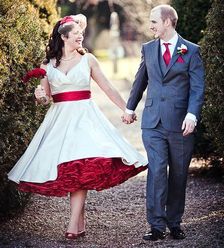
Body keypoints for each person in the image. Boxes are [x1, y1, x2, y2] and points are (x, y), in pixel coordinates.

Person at [8, 14, 147, 240]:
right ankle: (79, 224)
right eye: (76, 35)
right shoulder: (48, 65)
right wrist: (39, 95)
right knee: (71, 169)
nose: (80, 37)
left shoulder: (89, 60)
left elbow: (108, 88)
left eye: (82, 34)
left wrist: (126, 109)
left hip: (85, 118)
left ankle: (73, 225)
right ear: (63, 37)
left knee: (81, 167)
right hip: (60, 120)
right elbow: (46, 99)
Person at [122, 4, 205, 240]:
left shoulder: (191, 51)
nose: (150, 26)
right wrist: (130, 108)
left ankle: (174, 222)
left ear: (167, 22)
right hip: (152, 122)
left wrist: (192, 115)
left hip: (181, 124)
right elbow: (140, 81)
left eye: (154, 22)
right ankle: (156, 226)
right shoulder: (148, 49)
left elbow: (197, 88)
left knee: (178, 174)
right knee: (157, 171)